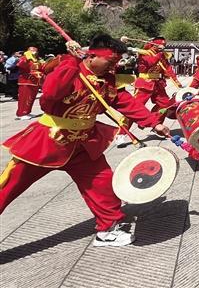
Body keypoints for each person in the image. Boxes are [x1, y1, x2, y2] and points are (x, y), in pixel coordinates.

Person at [0, 35, 171, 247]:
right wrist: (71, 62)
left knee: (103, 182)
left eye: (117, 62)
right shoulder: (70, 69)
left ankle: (108, 229)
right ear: (91, 56)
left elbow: (125, 102)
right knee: (8, 187)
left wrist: (153, 123)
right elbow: (49, 96)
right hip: (48, 140)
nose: (114, 66)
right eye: (110, 61)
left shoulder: (107, 80)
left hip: (82, 144)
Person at [15, 46, 43, 120]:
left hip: (34, 82)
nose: (35, 52)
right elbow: (20, 64)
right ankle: (21, 113)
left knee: (30, 98)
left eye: (36, 51)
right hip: (26, 81)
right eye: (33, 51)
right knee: (24, 98)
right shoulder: (24, 58)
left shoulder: (36, 59)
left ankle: (27, 112)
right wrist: (27, 57)